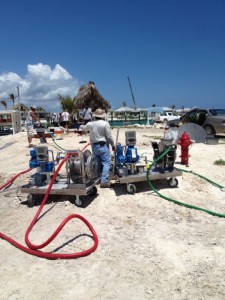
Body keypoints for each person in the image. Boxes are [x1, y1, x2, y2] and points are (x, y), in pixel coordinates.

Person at [80, 108, 115, 188]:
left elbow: (84, 127)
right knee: (106, 163)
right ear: (102, 116)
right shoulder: (105, 124)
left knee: (97, 162)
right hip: (103, 146)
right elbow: (109, 137)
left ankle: (98, 178)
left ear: (95, 116)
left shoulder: (90, 124)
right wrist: (113, 145)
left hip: (94, 147)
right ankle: (104, 181)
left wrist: (80, 126)